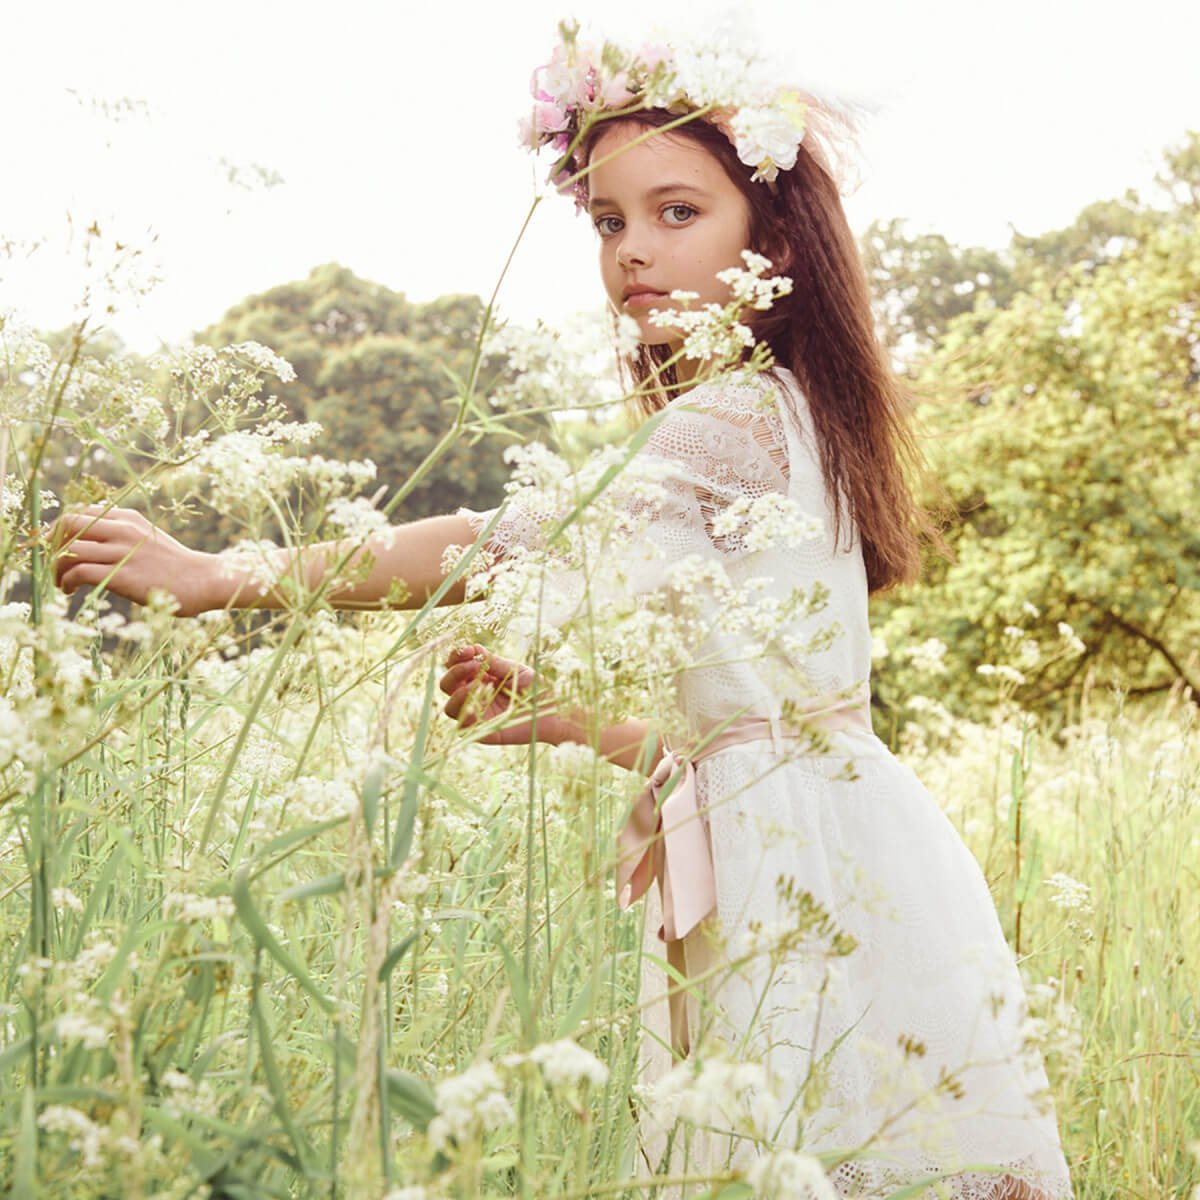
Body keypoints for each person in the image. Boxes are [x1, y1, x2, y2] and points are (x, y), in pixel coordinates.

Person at [50, 28, 1075, 1200]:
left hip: (793, 859)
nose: (633, 251)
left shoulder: (735, 412)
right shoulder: (797, 413)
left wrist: (218, 573)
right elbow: (761, 730)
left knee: (795, 1153)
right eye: (607, 221)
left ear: (774, 237)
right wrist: (575, 723)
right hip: (835, 835)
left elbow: (499, 541)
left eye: (676, 213)